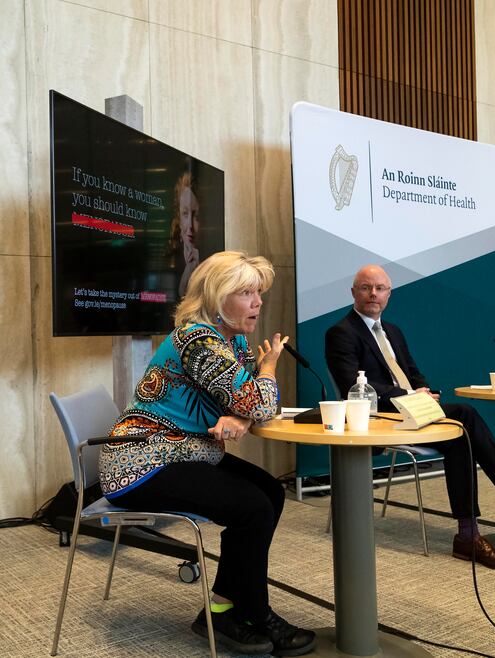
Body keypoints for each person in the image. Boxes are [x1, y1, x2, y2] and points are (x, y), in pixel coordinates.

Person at [100, 251, 316, 656]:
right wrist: (270, 369)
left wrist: (245, 416)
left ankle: (221, 608)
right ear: (218, 298)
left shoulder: (231, 339)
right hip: (143, 464)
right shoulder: (198, 340)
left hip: (185, 454)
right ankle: (254, 612)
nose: (258, 302)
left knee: (269, 492)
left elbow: (247, 405)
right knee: (252, 507)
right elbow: (257, 399)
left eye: (259, 292)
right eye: (247, 293)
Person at [325, 264, 495, 572]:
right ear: (353, 292)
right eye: (365, 287)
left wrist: (423, 390)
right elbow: (353, 382)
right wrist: (410, 396)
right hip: (379, 417)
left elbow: (413, 372)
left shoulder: (394, 331)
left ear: (390, 293)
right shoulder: (341, 333)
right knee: (464, 417)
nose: (373, 294)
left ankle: (469, 535)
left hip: (414, 409)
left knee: (460, 435)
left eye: (380, 288)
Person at [165, 170, 201, 298]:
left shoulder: (208, 264)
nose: (190, 226)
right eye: (185, 214)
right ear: (178, 218)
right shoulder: (170, 259)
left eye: (196, 216)